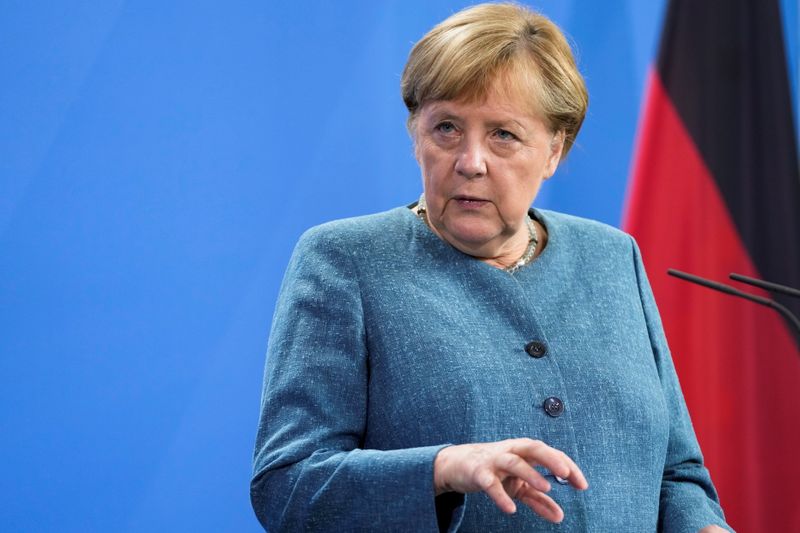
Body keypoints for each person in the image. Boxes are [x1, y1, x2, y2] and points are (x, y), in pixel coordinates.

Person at [251, 3, 732, 532]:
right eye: (447, 128)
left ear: (554, 150)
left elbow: (677, 473)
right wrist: (443, 469)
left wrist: (703, 527)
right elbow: (287, 487)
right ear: (416, 134)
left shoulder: (613, 257)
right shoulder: (346, 261)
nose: (471, 161)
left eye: (503, 134)